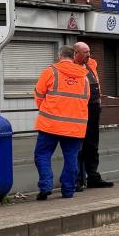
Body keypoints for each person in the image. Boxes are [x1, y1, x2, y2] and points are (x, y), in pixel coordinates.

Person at [32, 45, 90, 200]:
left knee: (42, 155)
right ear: (73, 57)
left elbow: (38, 94)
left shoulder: (50, 72)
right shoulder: (84, 78)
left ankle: (45, 186)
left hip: (50, 124)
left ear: (59, 56)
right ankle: (68, 190)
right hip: (75, 127)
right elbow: (86, 100)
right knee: (71, 158)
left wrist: (45, 109)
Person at [73, 42, 113, 190]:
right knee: (77, 146)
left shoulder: (91, 65)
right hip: (79, 110)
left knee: (92, 144)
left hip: (94, 108)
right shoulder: (71, 68)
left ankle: (93, 176)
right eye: (85, 52)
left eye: (89, 51)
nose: (88, 55)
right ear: (75, 53)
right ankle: (77, 179)